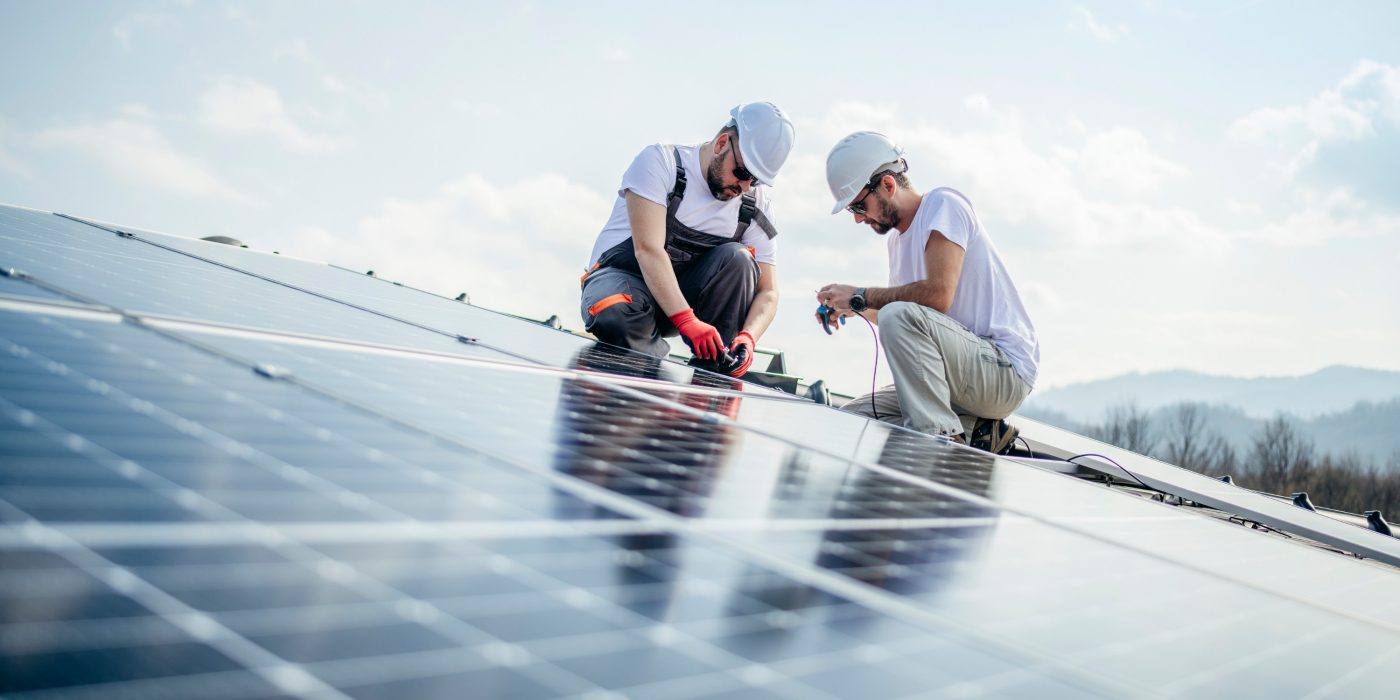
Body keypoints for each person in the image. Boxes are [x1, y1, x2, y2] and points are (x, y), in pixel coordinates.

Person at [815, 131, 1039, 453]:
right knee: (853, 419)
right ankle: (974, 431)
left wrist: (860, 293)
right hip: (959, 375)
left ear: (888, 186)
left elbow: (937, 296)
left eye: (860, 206)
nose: (858, 219)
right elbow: (907, 320)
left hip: (1003, 372)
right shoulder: (896, 242)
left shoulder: (943, 205)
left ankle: (939, 441)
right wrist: (856, 306)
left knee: (898, 314)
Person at [580, 102, 795, 377]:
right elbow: (648, 251)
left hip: (683, 303)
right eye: (742, 173)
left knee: (740, 260)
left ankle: (714, 368)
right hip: (625, 284)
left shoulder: (755, 204)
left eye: (754, 181)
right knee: (613, 311)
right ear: (721, 144)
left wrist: (749, 338)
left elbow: (768, 291)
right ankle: (648, 360)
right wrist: (687, 321)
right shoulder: (660, 163)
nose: (744, 187)